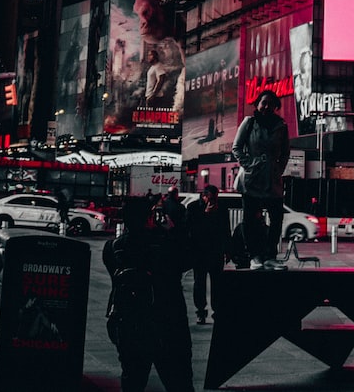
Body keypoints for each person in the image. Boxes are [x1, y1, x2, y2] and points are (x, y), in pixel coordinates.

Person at [103, 195, 195, 392]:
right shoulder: (166, 244)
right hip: (168, 322)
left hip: (129, 323)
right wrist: (174, 231)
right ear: (148, 218)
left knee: (132, 379)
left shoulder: (112, 248)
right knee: (179, 380)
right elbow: (189, 258)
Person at [231, 89, 290, 268]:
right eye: (263, 102)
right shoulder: (249, 123)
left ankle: (270, 254)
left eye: (271, 104)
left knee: (277, 218)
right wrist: (250, 165)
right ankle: (254, 255)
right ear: (257, 104)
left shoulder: (281, 126)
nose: (266, 106)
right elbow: (237, 148)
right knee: (250, 219)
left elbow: (285, 152)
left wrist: (278, 170)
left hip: (272, 180)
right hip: (251, 179)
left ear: (276, 107)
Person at [186, 184, 231, 326]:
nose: (213, 202)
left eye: (216, 198)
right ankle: (200, 311)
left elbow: (226, 229)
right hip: (200, 252)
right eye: (211, 198)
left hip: (216, 251)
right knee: (199, 283)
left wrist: (227, 249)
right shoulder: (193, 208)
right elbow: (191, 230)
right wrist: (206, 214)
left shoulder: (221, 208)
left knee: (217, 283)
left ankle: (216, 310)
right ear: (204, 196)